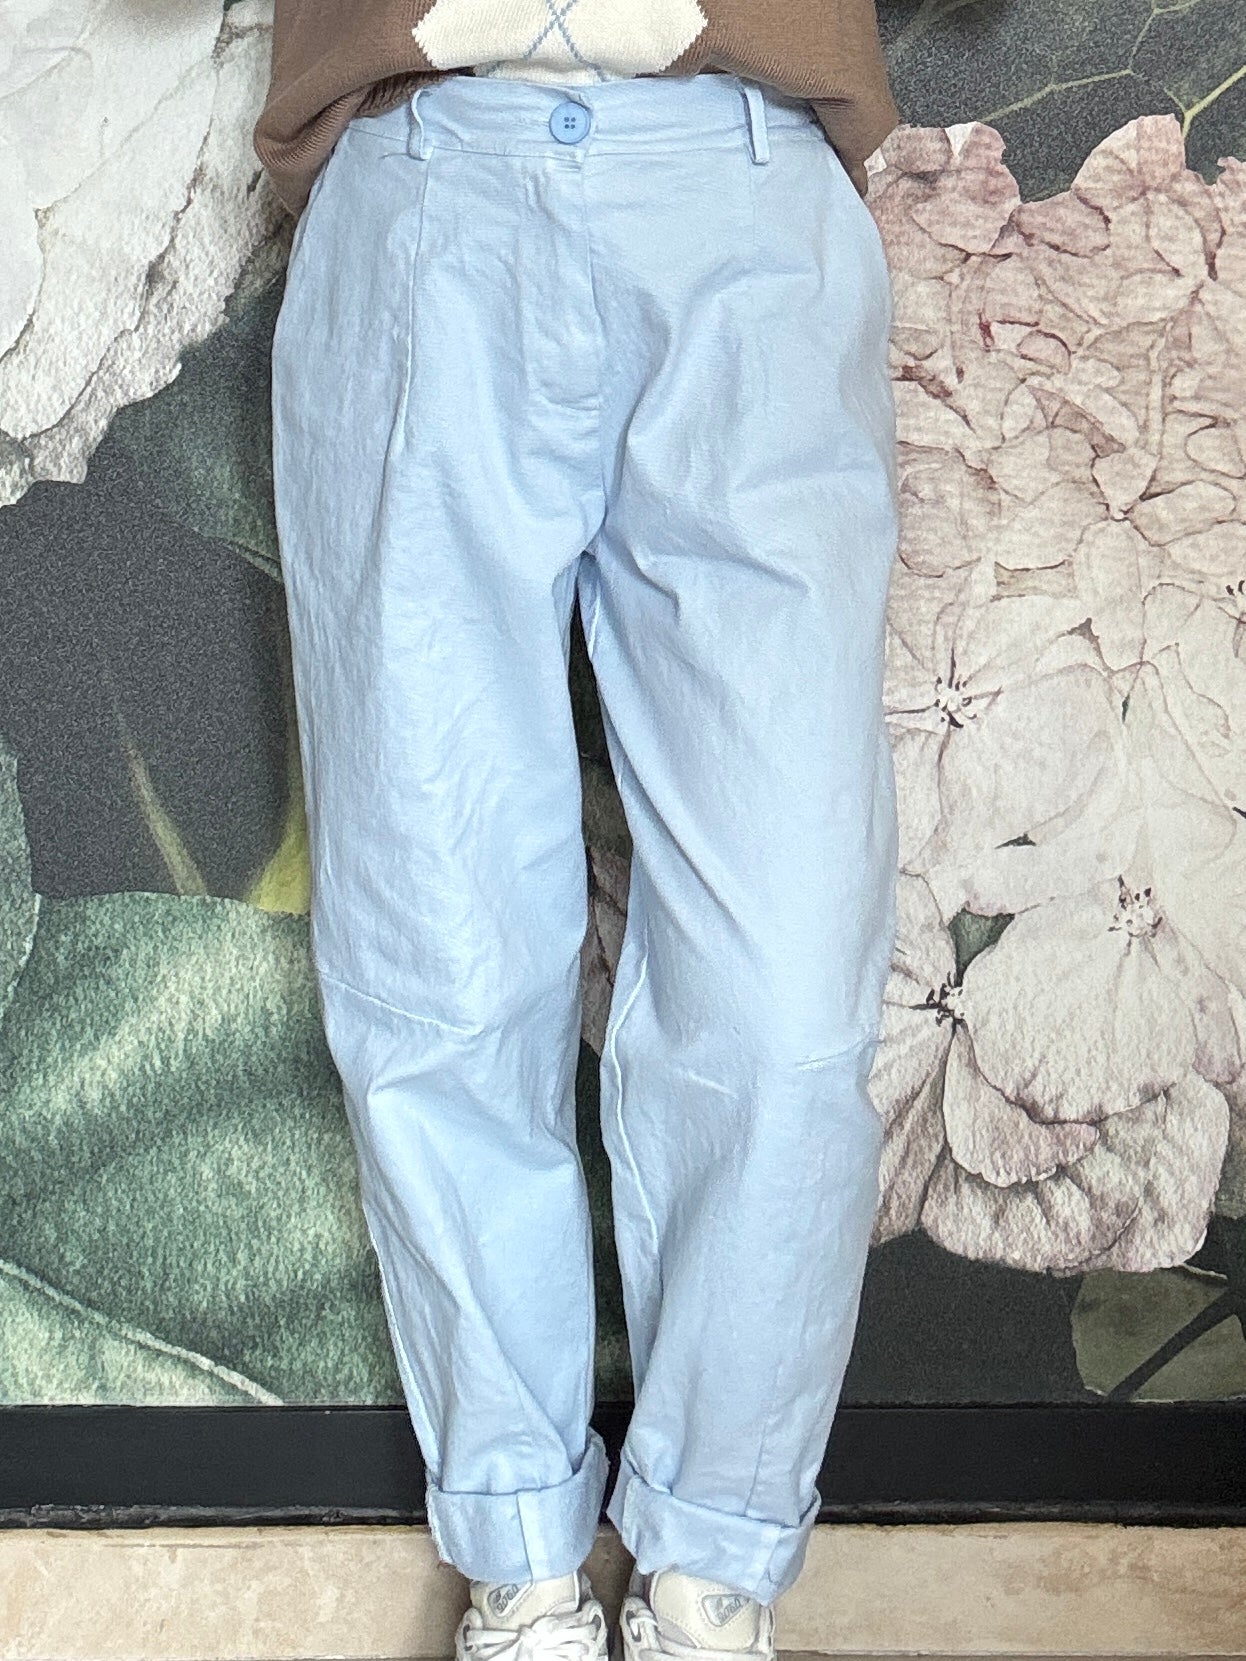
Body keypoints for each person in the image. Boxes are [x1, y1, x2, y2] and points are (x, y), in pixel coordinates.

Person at [257, 7, 901, 1661]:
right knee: (437, 949)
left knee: (788, 984)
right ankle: (521, 1567)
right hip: (423, 184)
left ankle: (710, 1569)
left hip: (744, 183)